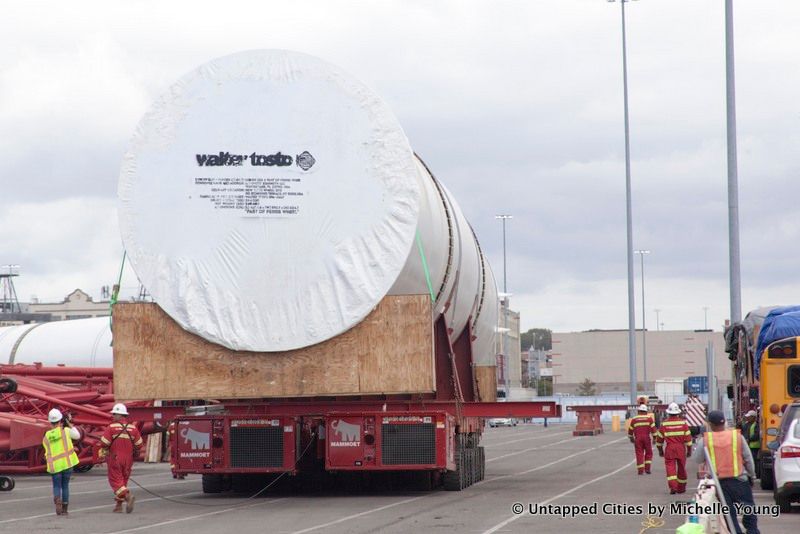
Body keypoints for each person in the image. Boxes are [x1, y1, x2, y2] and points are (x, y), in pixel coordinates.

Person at [691, 410, 759, 534]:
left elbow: (697, 458)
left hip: (720, 482)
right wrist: (752, 475)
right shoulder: (737, 436)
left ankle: (736, 532)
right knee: (748, 508)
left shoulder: (706, 439)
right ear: (724, 422)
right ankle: (752, 531)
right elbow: (748, 458)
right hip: (740, 479)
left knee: (729, 514)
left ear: (710, 424)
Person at [99, 403, 143, 513]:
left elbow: (104, 443)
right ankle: (118, 506)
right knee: (123, 482)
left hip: (115, 458)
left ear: (119, 415)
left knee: (115, 481)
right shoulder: (133, 428)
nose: (113, 416)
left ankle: (128, 496)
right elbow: (139, 444)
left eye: (114, 414)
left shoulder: (111, 427)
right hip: (128, 459)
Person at [42, 408, 80, 516]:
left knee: (56, 486)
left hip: (55, 466)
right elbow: (77, 435)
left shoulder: (46, 437)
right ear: (60, 421)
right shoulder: (66, 431)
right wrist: (69, 424)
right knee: (65, 486)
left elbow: (47, 451)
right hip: (67, 464)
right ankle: (65, 508)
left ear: (50, 422)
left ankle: (57, 499)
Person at [656, 402, 692, 494]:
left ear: (668, 413)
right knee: (682, 468)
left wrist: (660, 451)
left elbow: (659, 441)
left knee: (670, 468)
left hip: (670, 448)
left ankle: (673, 487)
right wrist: (689, 451)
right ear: (678, 413)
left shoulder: (664, 424)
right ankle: (681, 488)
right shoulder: (683, 423)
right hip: (681, 448)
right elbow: (688, 439)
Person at [628, 404, 657, 474]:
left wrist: (631, 437)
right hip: (646, 438)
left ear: (639, 411)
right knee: (649, 453)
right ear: (646, 411)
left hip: (638, 439)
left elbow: (630, 429)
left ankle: (640, 470)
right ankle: (647, 469)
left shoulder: (634, 419)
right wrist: (654, 438)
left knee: (639, 453)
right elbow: (653, 429)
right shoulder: (649, 418)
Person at [740, 410, 760, 476]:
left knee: (753, 460)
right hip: (748, 445)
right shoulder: (746, 424)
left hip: (754, 447)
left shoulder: (756, 425)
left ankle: (754, 473)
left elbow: (757, 435)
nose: (747, 418)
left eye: (749, 417)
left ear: (753, 417)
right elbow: (741, 431)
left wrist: (749, 439)